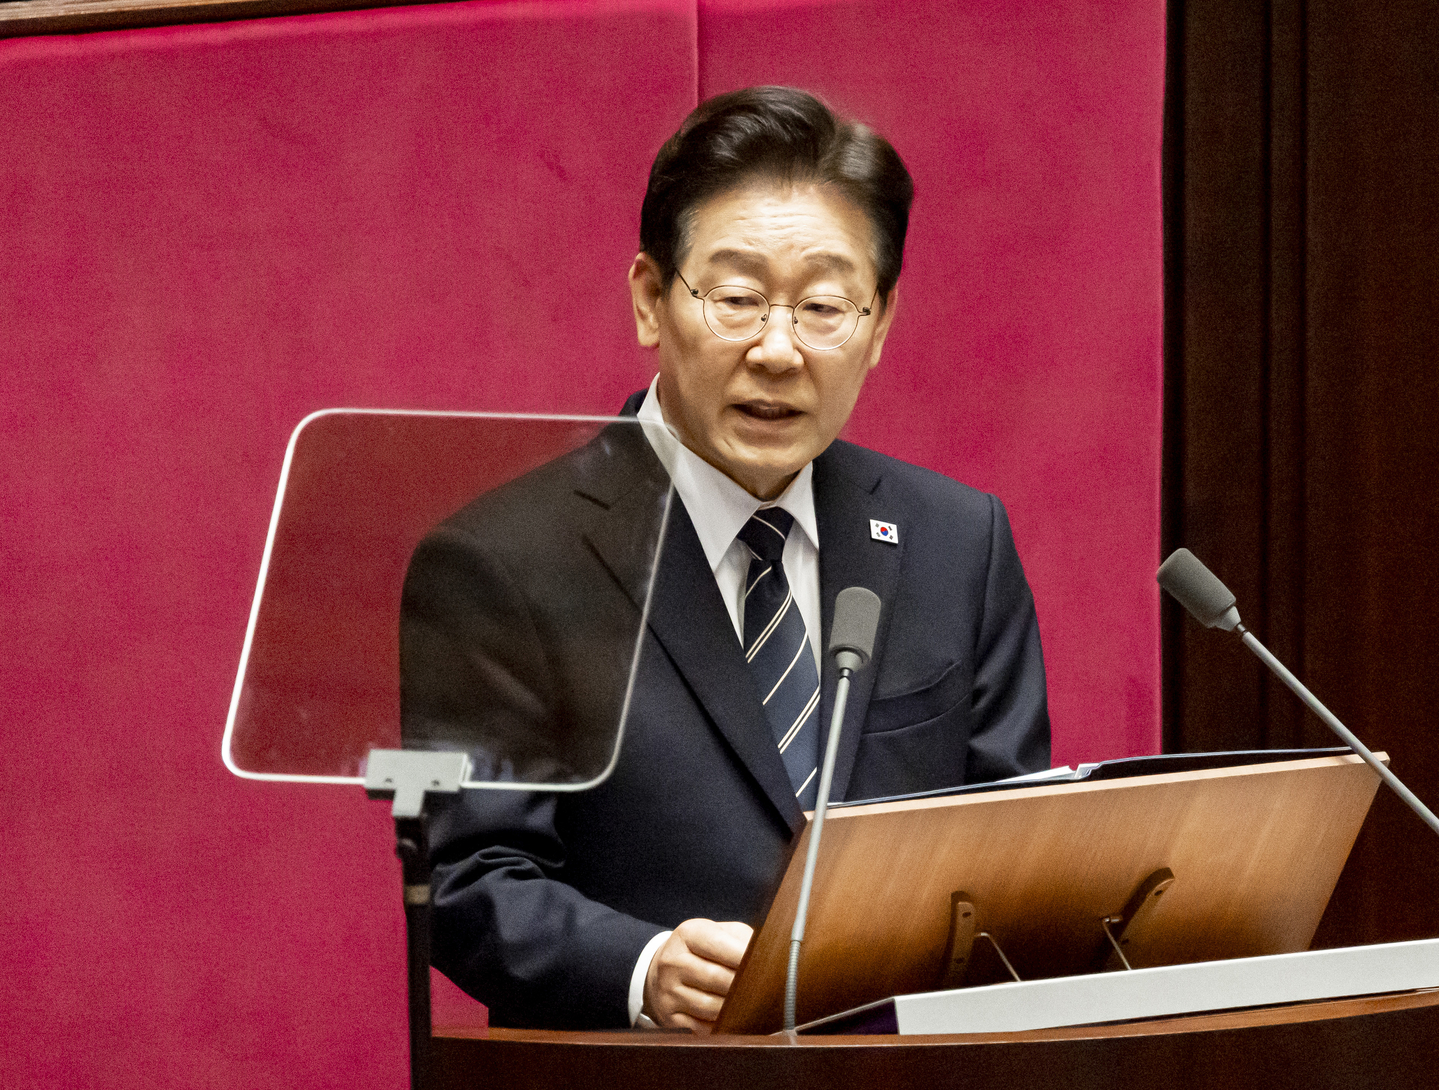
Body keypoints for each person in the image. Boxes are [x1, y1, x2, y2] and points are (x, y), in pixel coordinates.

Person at [400, 86, 1050, 1032]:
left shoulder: (959, 540)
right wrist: (645, 968)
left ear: (880, 324)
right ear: (649, 300)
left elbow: (1014, 846)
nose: (778, 350)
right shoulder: (501, 560)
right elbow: (466, 883)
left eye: (825, 305)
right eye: (738, 298)